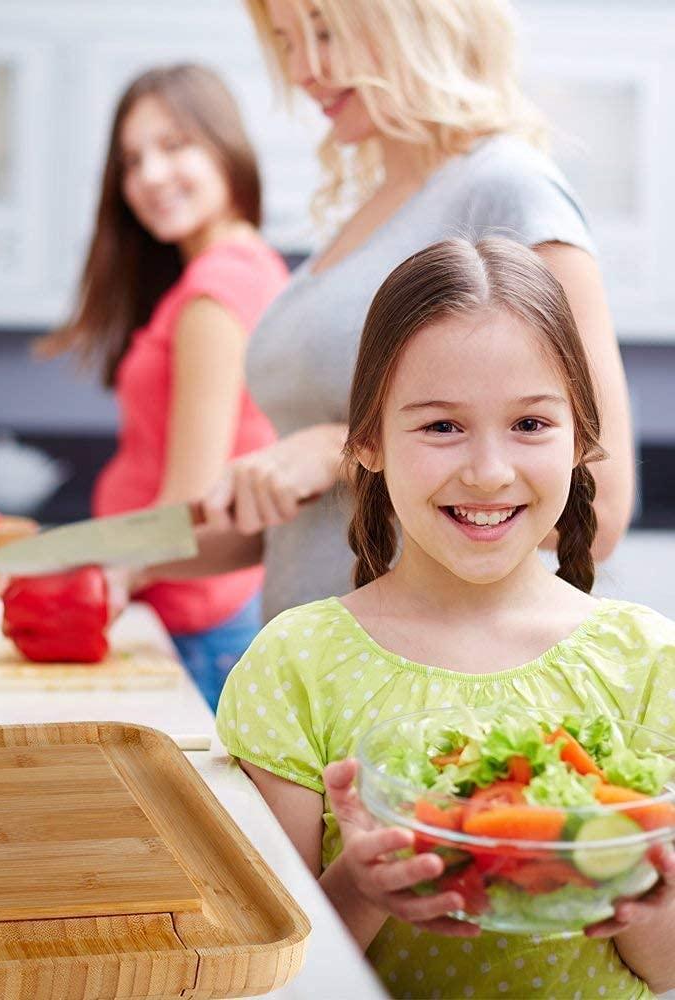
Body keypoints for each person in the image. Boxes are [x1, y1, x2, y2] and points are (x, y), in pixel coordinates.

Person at [215, 238, 675, 998]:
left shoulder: (650, 661)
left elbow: (667, 967)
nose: (489, 470)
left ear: (580, 440)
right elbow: (270, 975)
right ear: (365, 442)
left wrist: (636, 899)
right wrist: (360, 890)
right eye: (441, 427)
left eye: (530, 425)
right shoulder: (296, 665)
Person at [188, 0, 634, 623]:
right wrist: (127, 558)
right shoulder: (366, 210)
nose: (302, 71)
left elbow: (597, 508)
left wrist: (337, 447)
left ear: (415, 18)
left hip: (423, 687)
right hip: (311, 675)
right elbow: (311, 523)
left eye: (324, 30)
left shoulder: (510, 188)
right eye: (287, 42)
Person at [41, 64, 289, 710]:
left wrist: (94, 578)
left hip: (196, 624)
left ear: (225, 146)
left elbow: (189, 502)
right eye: (132, 159)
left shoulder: (216, 292)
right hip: (199, 614)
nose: (149, 175)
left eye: (175, 146)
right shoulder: (240, 268)